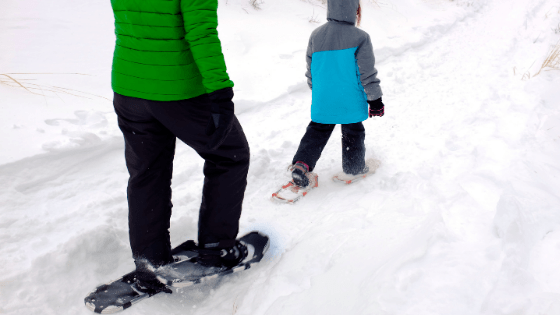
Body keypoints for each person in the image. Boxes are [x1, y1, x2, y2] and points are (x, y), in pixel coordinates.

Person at [110, 0, 250, 293]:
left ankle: (150, 262)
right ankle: (217, 249)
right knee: (229, 154)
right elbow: (200, 32)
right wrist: (220, 92)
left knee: (147, 173)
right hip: (177, 88)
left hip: (129, 86)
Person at [289, 0, 384, 189]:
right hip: (349, 98)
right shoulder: (360, 37)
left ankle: (302, 164)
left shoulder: (316, 35)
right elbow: (367, 71)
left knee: (317, 131)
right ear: (354, 10)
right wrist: (375, 99)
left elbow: (311, 70)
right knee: (353, 130)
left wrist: (319, 92)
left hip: (323, 97)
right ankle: (354, 168)